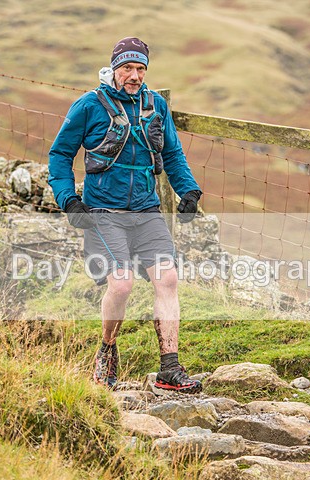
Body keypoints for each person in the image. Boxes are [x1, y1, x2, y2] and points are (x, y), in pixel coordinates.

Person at [48, 37, 204, 393]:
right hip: (103, 211)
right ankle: (107, 349)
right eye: (127, 68)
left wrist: (189, 190)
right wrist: (68, 200)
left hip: (146, 210)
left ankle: (169, 369)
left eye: (140, 69)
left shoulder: (156, 105)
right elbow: (60, 154)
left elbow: (173, 154)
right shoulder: (89, 105)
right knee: (121, 285)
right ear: (114, 68)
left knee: (168, 279)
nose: (134, 76)